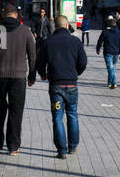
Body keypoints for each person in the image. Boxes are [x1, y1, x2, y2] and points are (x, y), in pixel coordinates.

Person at [0, 4, 37, 155]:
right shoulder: (25, 31)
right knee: (16, 111)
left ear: (3, 15)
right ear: (17, 15)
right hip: (18, 77)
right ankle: (13, 146)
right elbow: (32, 56)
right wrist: (32, 75)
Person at [36, 14, 87, 158]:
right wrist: (75, 72)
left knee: (57, 117)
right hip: (71, 84)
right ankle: (73, 146)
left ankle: (61, 150)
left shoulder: (48, 42)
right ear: (66, 26)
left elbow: (40, 63)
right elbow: (83, 62)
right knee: (72, 115)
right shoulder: (75, 41)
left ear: (55, 26)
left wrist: (43, 74)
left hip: (56, 85)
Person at [96, 16, 120, 88]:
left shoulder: (105, 32)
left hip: (108, 52)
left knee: (110, 68)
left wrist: (98, 49)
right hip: (116, 52)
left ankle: (112, 83)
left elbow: (100, 41)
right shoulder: (119, 33)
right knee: (112, 68)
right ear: (116, 24)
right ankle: (111, 83)